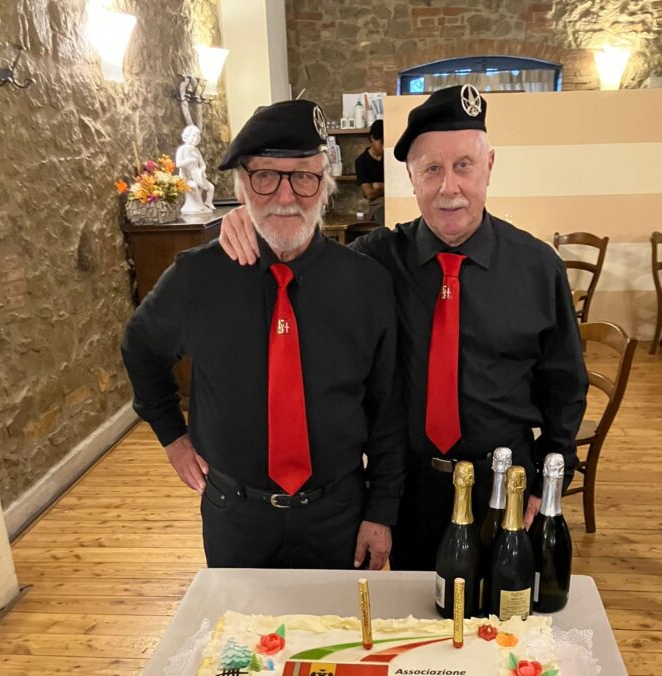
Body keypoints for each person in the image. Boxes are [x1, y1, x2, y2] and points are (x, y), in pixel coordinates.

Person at [219, 85, 587, 569]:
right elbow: (300, 264)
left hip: (504, 487)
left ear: (489, 166)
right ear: (411, 179)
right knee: (419, 608)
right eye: (431, 169)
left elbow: (565, 386)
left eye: (463, 165)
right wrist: (254, 217)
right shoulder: (375, 262)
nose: (448, 187)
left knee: (504, 611)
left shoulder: (538, 268)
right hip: (411, 492)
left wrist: (547, 482)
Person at [122, 99, 404, 570]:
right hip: (236, 516)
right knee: (239, 623)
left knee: (335, 621)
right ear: (242, 186)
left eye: (304, 177)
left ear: (325, 186)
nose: (285, 196)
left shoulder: (367, 284)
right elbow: (140, 348)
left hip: (339, 515)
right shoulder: (197, 278)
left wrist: (381, 511)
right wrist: (172, 437)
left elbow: (387, 408)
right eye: (266, 176)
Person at [175, 124, 215, 215]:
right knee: (194, 186)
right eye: (193, 136)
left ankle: (208, 202)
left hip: (197, 174)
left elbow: (202, 164)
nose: (195, 139)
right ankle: (199, 206)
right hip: (186, 176)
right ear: (186, 137)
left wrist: (202, 170)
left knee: (211, 187)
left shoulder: (196, 150)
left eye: (197, 137)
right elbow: (178, 164)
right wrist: (190, 161)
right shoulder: (182, 149)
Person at [355, 119, 385, 224]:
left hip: (394, 203)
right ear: (372, 138)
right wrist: (387, 187)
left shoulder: (389, 157)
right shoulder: (361, 161)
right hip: (376, 207)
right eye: (381, 142)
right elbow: (369, 194)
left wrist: (379, 187)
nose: (383, 147)